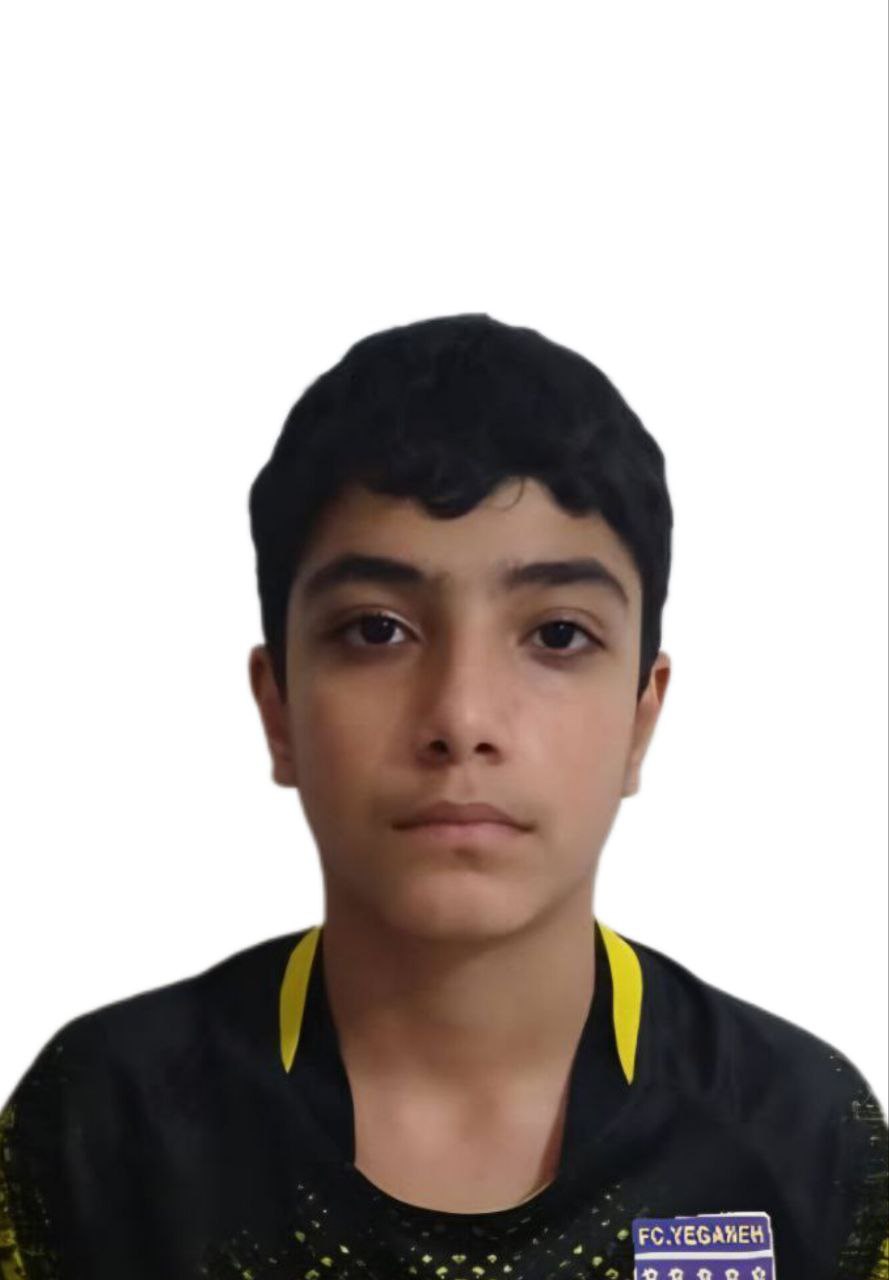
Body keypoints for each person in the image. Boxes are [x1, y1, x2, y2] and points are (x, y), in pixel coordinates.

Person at [1, 314, 886, 1280]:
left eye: (557, 634)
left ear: (641, 717)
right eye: (375, 630)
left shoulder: (803, 1137)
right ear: (278, 709)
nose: (461, 717)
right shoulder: (104, 1129)